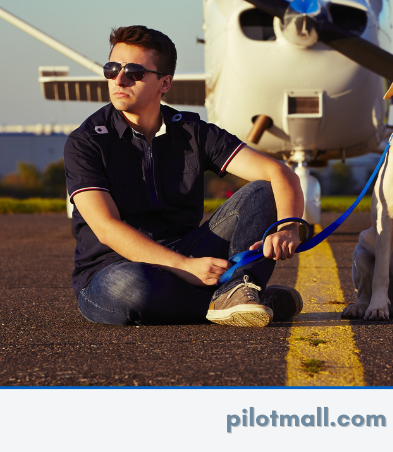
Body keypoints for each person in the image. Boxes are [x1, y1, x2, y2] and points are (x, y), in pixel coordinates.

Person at [64, 25, 307, 328]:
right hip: (112, 270)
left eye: (135, 72)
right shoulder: (86, 141)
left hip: (188, 254)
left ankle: (237, 288)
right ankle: (240, 298)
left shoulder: (193, 132)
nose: (119, 79)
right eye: (112, 69)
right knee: (133, 286)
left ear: (164, 83)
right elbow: (106, 228)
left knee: (263, 191)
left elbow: (279, 172)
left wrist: (288, 226)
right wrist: (184, 267)